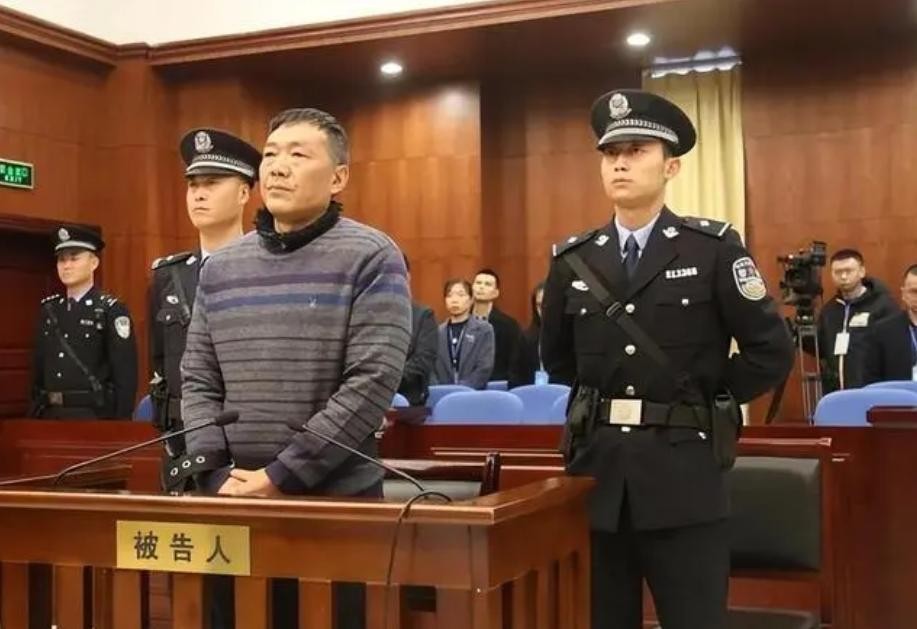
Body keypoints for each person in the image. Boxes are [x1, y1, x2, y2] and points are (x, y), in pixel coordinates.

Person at [540, 89, 794, 629]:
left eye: (636, 151)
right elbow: (559, 361)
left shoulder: (713, 248)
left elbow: (770, 350)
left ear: (671, 166)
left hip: (685, 476)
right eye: (611, 153)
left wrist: (702, 395)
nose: (621, 163)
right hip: (598, 478)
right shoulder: (573, 260)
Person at [181, 108, 411, 628]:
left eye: (298, 155)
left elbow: (371, 382)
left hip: (334, 505)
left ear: (338, 177)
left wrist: (281, 475)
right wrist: (213, 471)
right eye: (270, 155)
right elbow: (198, 378)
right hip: (232, 505)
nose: (278, 167)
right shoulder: (222, 267)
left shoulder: (372, 256)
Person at [148, 127, 261, 476]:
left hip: (249, 440)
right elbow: (160, 363)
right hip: (181, 438)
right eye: (193, 184)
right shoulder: (168, 275)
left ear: (243, 192)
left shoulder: (267, 269)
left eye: (212, 183)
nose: (198, 194)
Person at [29, 225, 137, 419]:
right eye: (62, 259)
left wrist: (120, 424)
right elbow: (38, 371)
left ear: (94, 262)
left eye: (74, 258)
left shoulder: (109, 310)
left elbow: (125, 376)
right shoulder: (50, 310)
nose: (66, 265)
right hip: (50, 414)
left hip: (92, 416)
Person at [808, 249, 897, 391]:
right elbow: (821, 349)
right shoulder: (829, 310)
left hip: (873, 390)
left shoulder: (882, 306)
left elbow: (894, 349)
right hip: (837, 391)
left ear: (862, 271)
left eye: (848, 271)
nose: (843, 277)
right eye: (837, 272)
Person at [432, 279, 495, 390]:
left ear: (471, 300)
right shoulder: (437, 332)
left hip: (472, 393)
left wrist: (462, 390)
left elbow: (484, 367)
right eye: (450, 295)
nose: (454, 300)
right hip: (442, 394)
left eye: (461, 295)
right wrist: (441, 391)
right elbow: (431, 369)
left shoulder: (484, 330)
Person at [863, 264, 917, 384]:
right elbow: (872, 380)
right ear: (904, 294)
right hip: (898, 395)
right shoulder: (882, 331)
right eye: (914, 291)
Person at [396, 253, 438, 406]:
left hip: (410, 400)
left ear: (407, 277)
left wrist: (388, 378)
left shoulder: (423, 315)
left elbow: (422, 361)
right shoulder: (370, 314)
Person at [471, 268, 522, 382]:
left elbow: (514, 362)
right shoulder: (462, 320)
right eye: (478, 283)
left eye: (487, 284)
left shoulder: (509, 326)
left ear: (496, 293)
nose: (481, 287)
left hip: (496, 384)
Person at [508, 282, 546, 388]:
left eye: (547, 305)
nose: (543, 310)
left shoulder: (570, 336)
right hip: (530, 393)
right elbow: (515, 377)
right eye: (539, 305)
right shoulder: (526, 338)